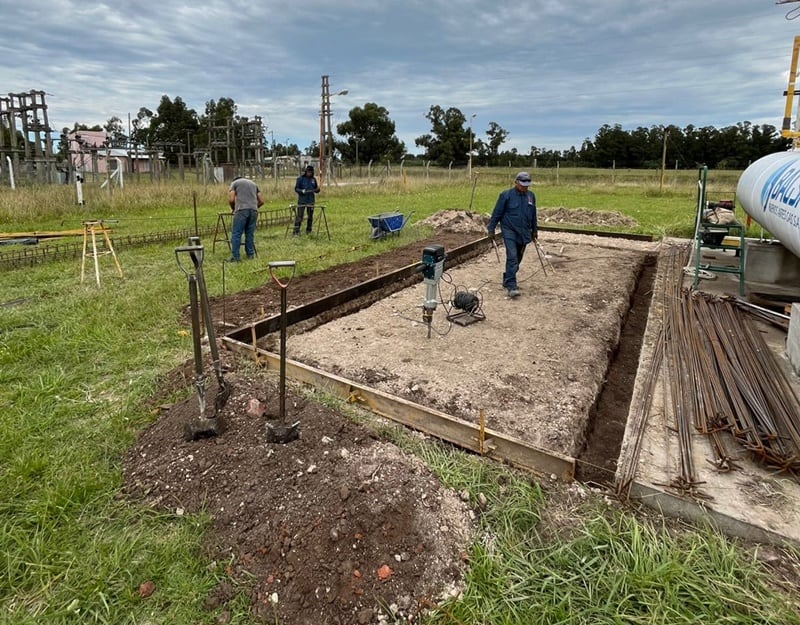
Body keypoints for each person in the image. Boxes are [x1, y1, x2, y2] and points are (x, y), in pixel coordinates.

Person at [487, 171, 538, 298]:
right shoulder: (506, 195)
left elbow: (533, 214)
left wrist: (534, 230)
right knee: (512, 256)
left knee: (518, 258)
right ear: (516, 183)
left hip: (524, 232)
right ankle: (511, 286)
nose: (525, 187)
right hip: (509, 230)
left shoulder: (531, 196)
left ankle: (507, 277)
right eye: (522, 184)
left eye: (527, 184)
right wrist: (491, 229)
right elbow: (497, 213)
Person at [228, 176, 263, 261]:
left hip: (241, 210)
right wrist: (253, 207)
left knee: (236, 234)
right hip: (254, 211)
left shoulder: (234, 183)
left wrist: (233, 209)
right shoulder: (253, 184)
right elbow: (261, 201)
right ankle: (250, 255)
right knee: (249, 234)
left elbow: (231, 200)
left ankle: (235, 257)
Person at [293, 165, 320, 236]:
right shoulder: (300, 179)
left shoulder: (313, 179)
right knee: (299, 216)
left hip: (311, 200)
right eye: (308, 172)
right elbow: (296, 189)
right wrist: (302, 191)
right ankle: (296, 231)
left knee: (310, 216)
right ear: (306, 171)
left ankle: (309, 230)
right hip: (302, 201)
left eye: (310, 172)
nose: (309, 173)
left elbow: (316, 189)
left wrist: (317, 190)